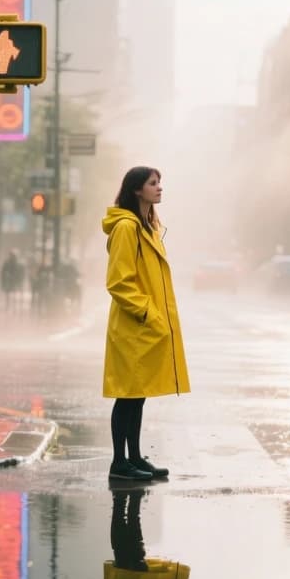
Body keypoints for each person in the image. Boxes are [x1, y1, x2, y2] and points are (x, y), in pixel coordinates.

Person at [102, 166, 190, 483]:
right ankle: (118, 462)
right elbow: (118, 282)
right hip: (132, 325)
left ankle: (134, 457)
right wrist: (147, 313)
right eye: (153, 183)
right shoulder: (127, 228)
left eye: (159, 182)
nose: (159, 187)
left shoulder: (148, 227)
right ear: (137, 190)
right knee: (126, 395)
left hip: (142, 326)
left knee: (138, 395)